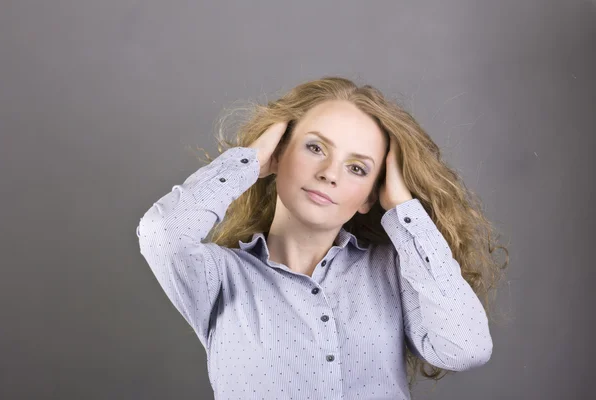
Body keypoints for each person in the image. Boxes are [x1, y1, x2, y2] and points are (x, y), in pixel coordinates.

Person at [136, 76, 508, 399]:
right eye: (315, 148)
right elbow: (161, 234)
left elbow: (466, 348)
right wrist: (247, 162)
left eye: (357, 168)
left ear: (369, 196)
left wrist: (402, 209)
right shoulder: (220, 276)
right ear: (279, 153)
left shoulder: (393, 271)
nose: (330, 174)